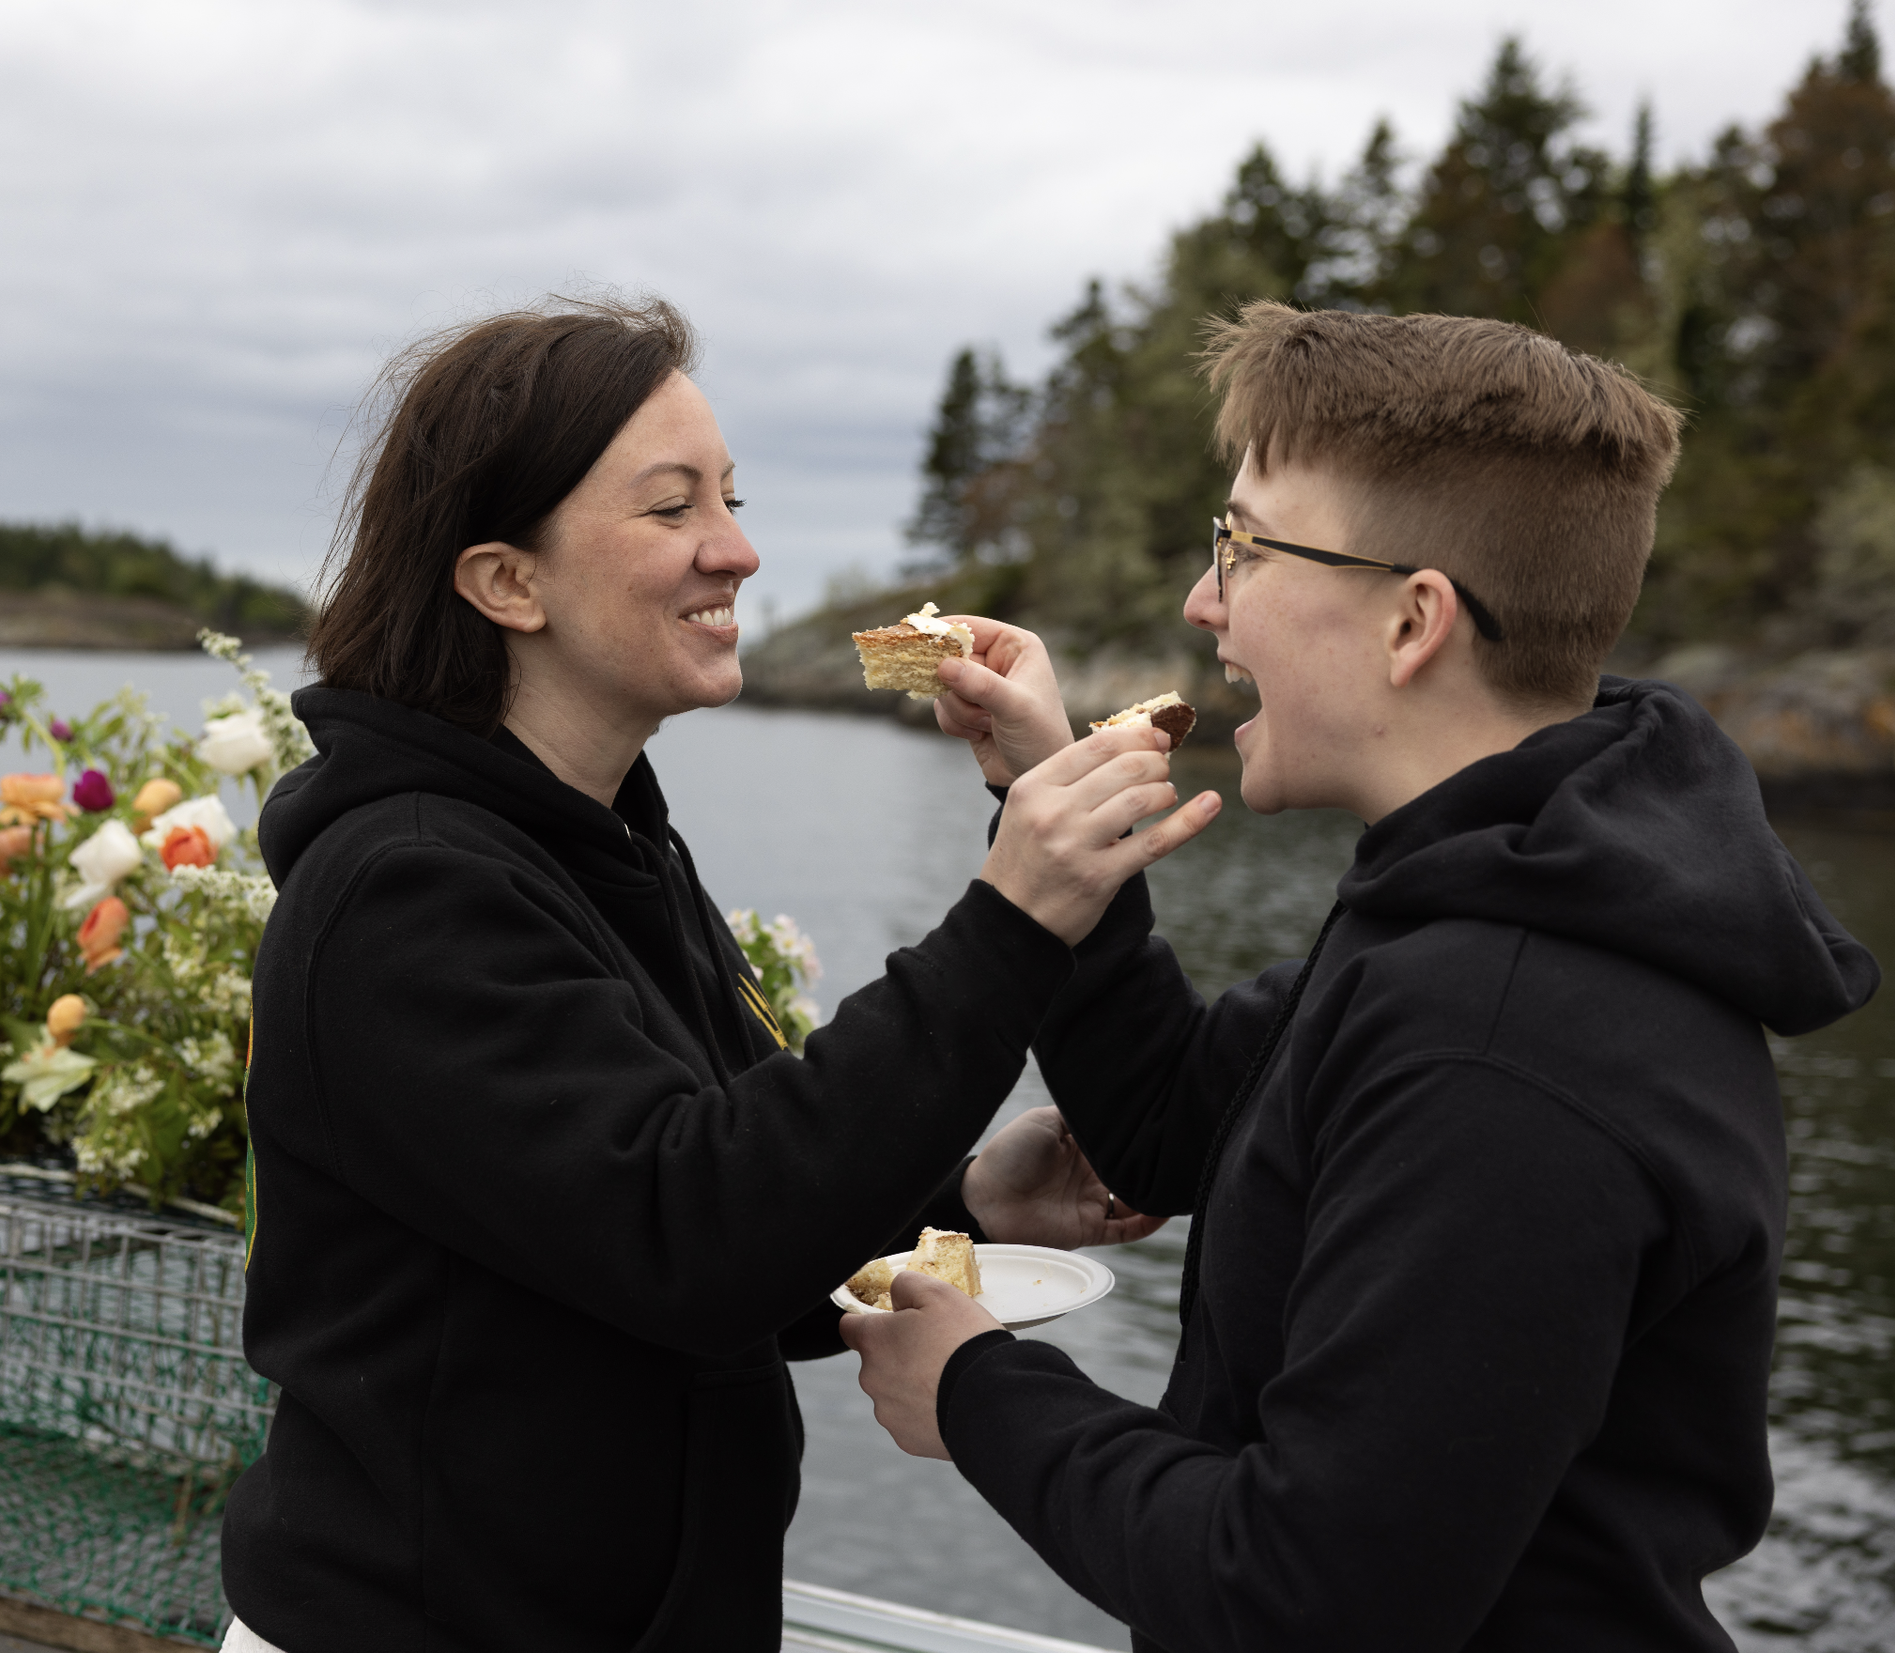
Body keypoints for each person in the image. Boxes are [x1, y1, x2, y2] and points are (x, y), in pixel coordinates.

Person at [843, 301, 1883, 1652]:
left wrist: (982, 1395)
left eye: (1242, 549)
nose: (1201, 599)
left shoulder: (1503, 1044)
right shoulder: (1472, 905)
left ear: (1412, 623)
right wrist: (1043, 783)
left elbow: (1306, 1597)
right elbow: (1162, 1128)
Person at [218, 296, 1200, 1653]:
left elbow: (720, 1213)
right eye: (672, 509)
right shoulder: (405, 893)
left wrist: (970, 1203)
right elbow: (694, 1242)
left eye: (730, 498)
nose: (735, 551)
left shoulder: (604, 838)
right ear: (509, 582)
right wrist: (1015, 917)